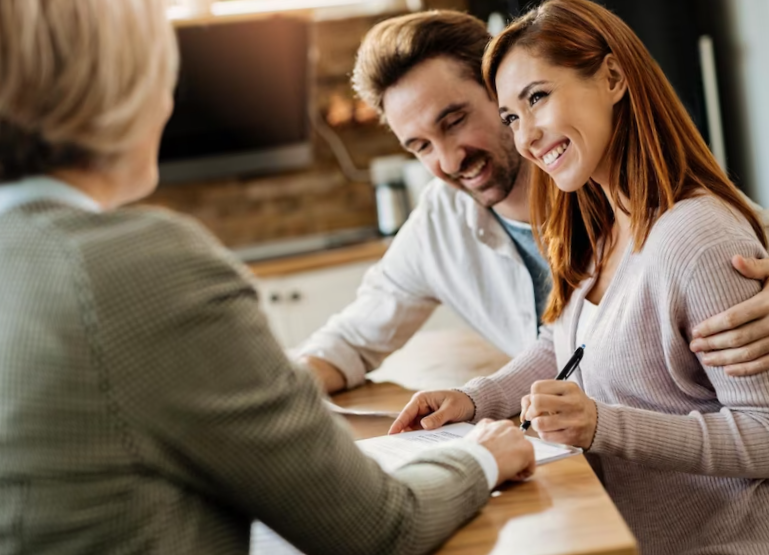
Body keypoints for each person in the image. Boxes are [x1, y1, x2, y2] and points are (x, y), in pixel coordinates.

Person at [0, 2, 536, 554]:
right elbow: (377, 526)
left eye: (453, 121)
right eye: (163, 77)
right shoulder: (145, 265)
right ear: (123, 92)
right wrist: (478, 454)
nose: (446, 161)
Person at [391, 1, 769, 554]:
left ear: (612, 77)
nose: (526, 136)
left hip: (761, 537)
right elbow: (563, 343)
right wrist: (473, 400)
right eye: (510, 116)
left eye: (538, 97)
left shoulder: (698, 237)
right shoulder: (602, 226)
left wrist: (602, 425)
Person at [296, 10, 769, 397]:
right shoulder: (440, 226)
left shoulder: (640, 195)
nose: (448, 159)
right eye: (420, 146)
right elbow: (350, 339)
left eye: (455, 120)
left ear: (503, 93)